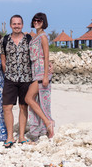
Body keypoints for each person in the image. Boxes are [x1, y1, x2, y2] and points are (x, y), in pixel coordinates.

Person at [0, 15, 32, 148]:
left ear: (22, 25)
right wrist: (7, 73)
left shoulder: (29, 39)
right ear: (10, 25)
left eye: (19, 24)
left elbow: (36, 56)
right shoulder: (4, 40)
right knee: (7, 106)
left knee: (24, 106)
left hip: (26, 78)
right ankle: (10, 136)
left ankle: (22, 136)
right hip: (10, 79)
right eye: (14, 24)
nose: (16, 26)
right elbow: (3, 59)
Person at [25, 12, 54, 140]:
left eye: (39, 21)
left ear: (44, 22)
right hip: (34, 70)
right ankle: (42, 128)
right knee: (36, 100)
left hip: (41, 70)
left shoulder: (43, 36)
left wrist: (46, 75)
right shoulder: (35, 36)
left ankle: (48, 123)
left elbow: (46, 55)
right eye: (35, 20)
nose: (36, 22)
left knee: (29, 99)